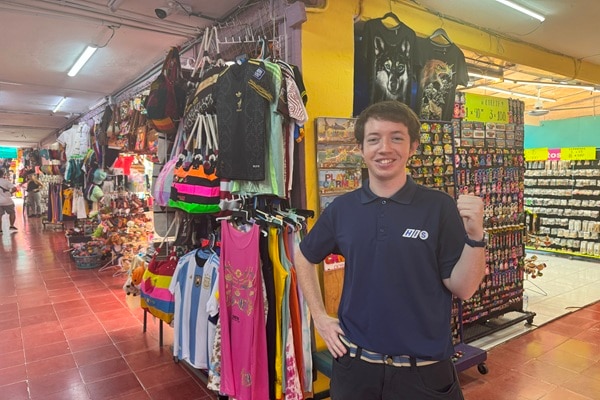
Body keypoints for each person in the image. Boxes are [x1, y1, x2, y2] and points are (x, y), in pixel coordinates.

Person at [294, 100, 486, 400]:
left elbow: (464, 288)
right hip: (356, 370)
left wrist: (475, 237)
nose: (384, 148)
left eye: (396, 138)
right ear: (360, 149)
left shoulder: (439, 206)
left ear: (413, 147)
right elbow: (303, 255)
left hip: (424, 374)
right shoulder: (342, 209)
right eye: (374, 139)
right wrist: (319, 317)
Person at [0, 168, 18, 233]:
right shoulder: (6, 181)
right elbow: (14, 188)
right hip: (7, 201)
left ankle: (0, 229)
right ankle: (11, 225)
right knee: (12, 212)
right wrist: (10, 193)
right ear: (3, 174)